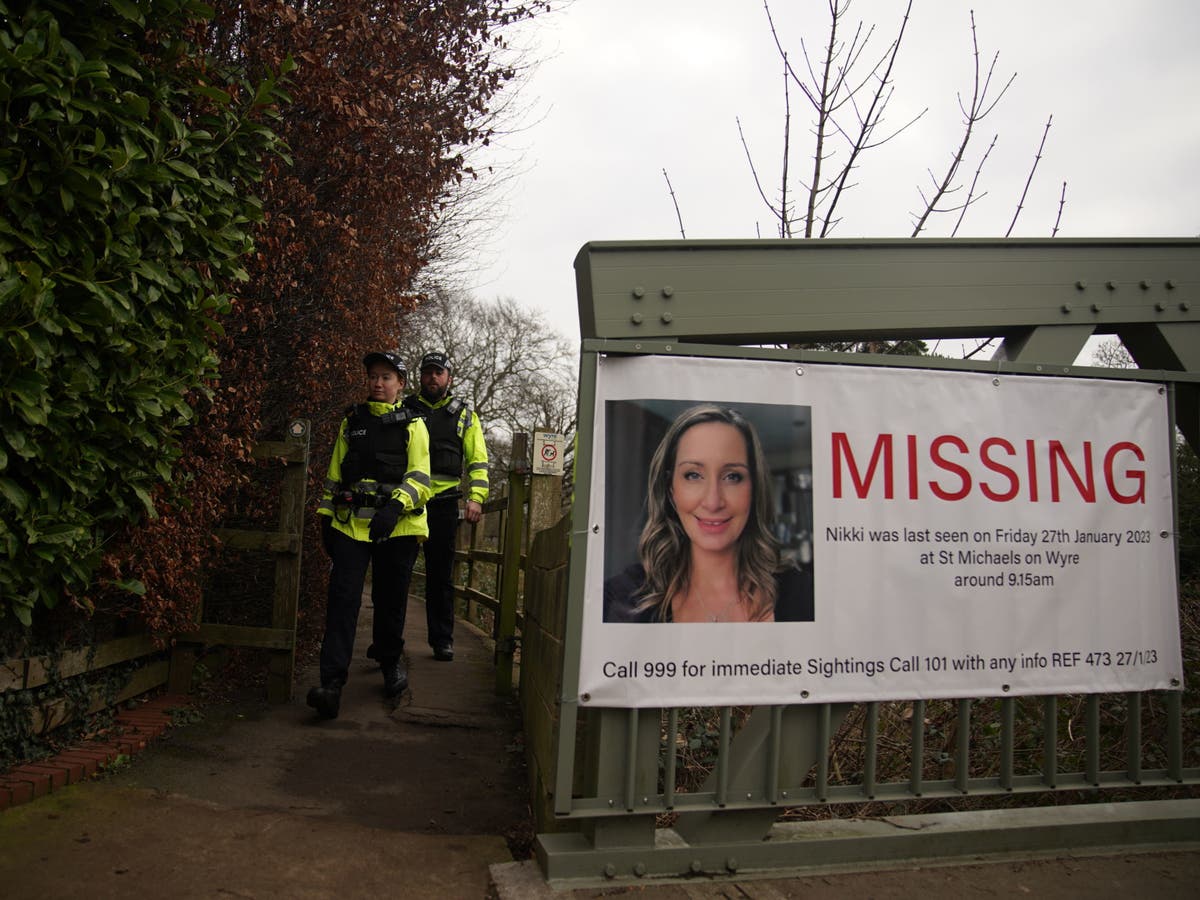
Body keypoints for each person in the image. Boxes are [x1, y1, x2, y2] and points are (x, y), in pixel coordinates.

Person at [306, 351, 432, 719]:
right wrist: (326, 519)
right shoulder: (352, 422)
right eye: (373, 377)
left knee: (390, 600)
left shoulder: (414, 425)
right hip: (351, 526)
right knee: (342, 601)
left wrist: (394, 508)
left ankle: (391, 662)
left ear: (400, 384)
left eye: (386, 377)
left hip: (400, 527)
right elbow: (333, 476)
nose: (378, 383)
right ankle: (330, 684)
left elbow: (421, 478)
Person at [603, 403, 813, 623]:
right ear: (671, 489)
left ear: (755, 489)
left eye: (732, 477)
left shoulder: (804, 595)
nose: (713, 502)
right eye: (693, 475)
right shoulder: (620, 600)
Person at [402, 351, 489, 660]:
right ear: (420, 376)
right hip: (408, 504)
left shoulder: (464, 414)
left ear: (449, 377)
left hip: (444, 505)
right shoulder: (404, 409)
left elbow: (478, 461)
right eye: (428, 372)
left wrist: (476, 498)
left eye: (439, 372)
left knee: (441, 577)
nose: (433, 378)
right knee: (397, 574)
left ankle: (442, 640)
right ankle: (390, 641)